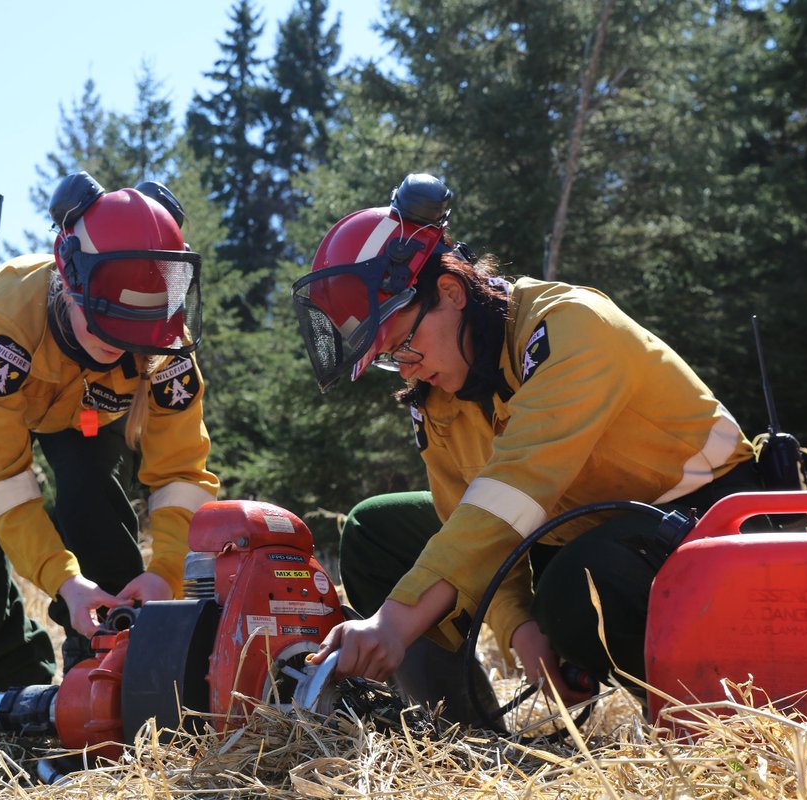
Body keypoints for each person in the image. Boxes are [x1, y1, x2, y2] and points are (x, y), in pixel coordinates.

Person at [291, 173, 764, 725]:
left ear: (450, 292)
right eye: (392, 360)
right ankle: (460, 735)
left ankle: (710, 727)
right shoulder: (438, 400)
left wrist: (392, 623)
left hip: (714, 523)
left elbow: (517, 485)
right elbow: (470, 519)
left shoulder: (573, 327)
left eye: (404, 345)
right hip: (576, 533)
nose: (408, 368)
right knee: (378, 531)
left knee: (577, 589)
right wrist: (518, 624)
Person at [0, 172, 220, 690]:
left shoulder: (164, 346)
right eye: (105, 325)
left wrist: (167, 572)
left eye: (136, 334)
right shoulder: (2, 324)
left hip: (87, 413)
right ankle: (13, 687)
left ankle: (117, 663)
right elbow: (2, 479)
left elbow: (181, 472)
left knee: (90, 497)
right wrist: (64, 581)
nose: (120, 344)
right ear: (69, 280)